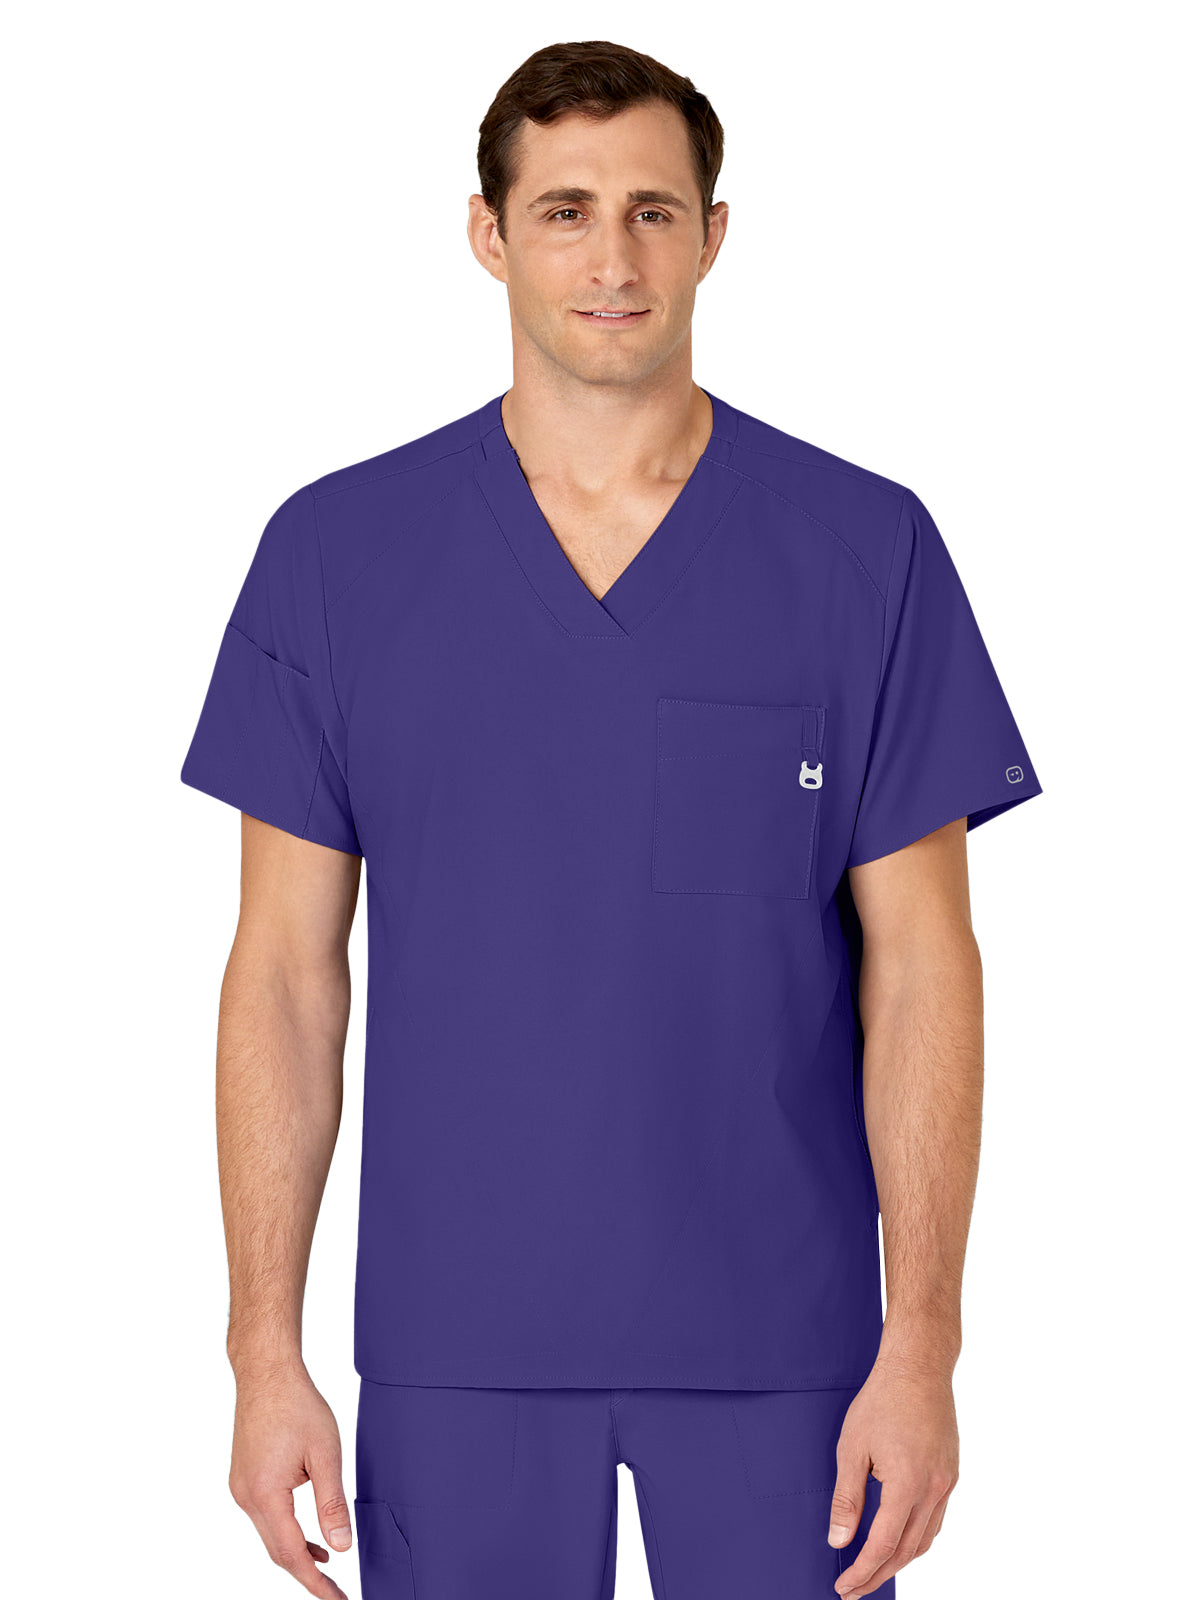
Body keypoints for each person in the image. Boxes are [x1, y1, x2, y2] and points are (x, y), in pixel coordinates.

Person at [180, 39, 1043, 1600]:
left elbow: (927, 969)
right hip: (456, 1345)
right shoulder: (337, 555)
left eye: (654, 211)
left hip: (791, 1353)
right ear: (488, 234)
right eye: (565, 211)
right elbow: (286, 978)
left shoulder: (863, 551)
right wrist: (262, 1349)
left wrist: (924, 1343)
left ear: (715, 235)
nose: (613, 260)